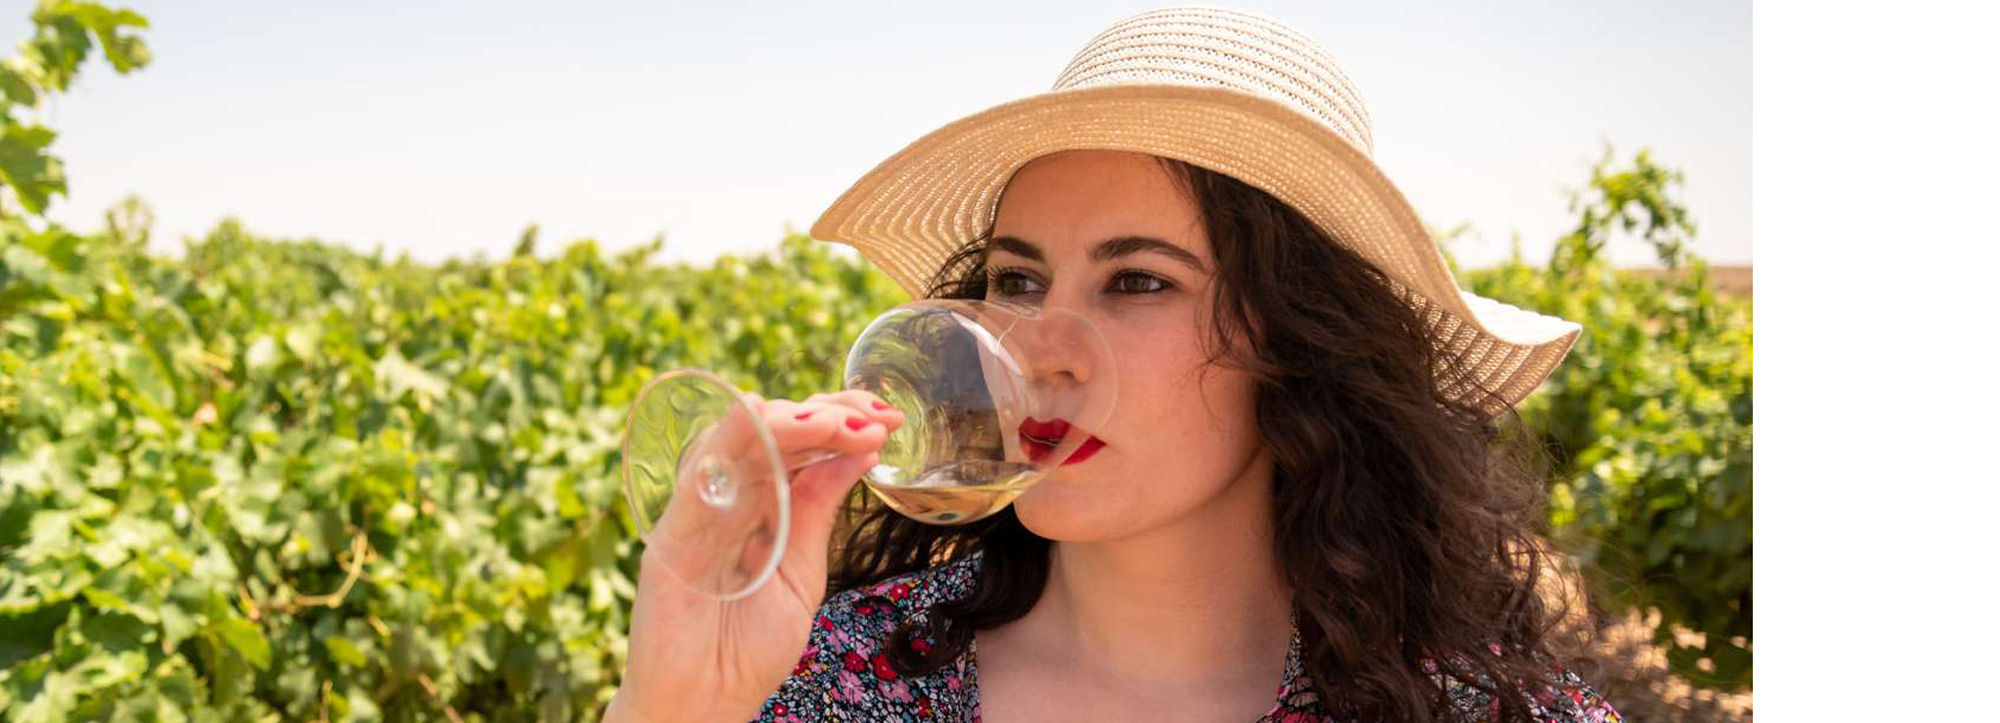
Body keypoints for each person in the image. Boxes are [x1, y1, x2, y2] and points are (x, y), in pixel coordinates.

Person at [607, 6, 1621, 722]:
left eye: (1136, 281)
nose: (1040, 348)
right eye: (1016, 280)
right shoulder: (835, 678)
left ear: (1300, 340)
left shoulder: (1484, 713)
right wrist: (667, 705)